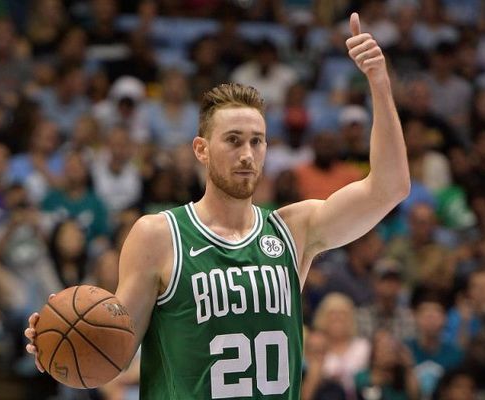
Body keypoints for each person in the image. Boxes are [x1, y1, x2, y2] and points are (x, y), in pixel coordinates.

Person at [25, 13, 410, 399]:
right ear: (201, 149)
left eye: (257, 141)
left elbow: (390, 187)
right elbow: (115, 353)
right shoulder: (159, 235)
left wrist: (379, 83)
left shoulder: (294, 229)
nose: (247, 154)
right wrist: (60, 343)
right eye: (233, 140)